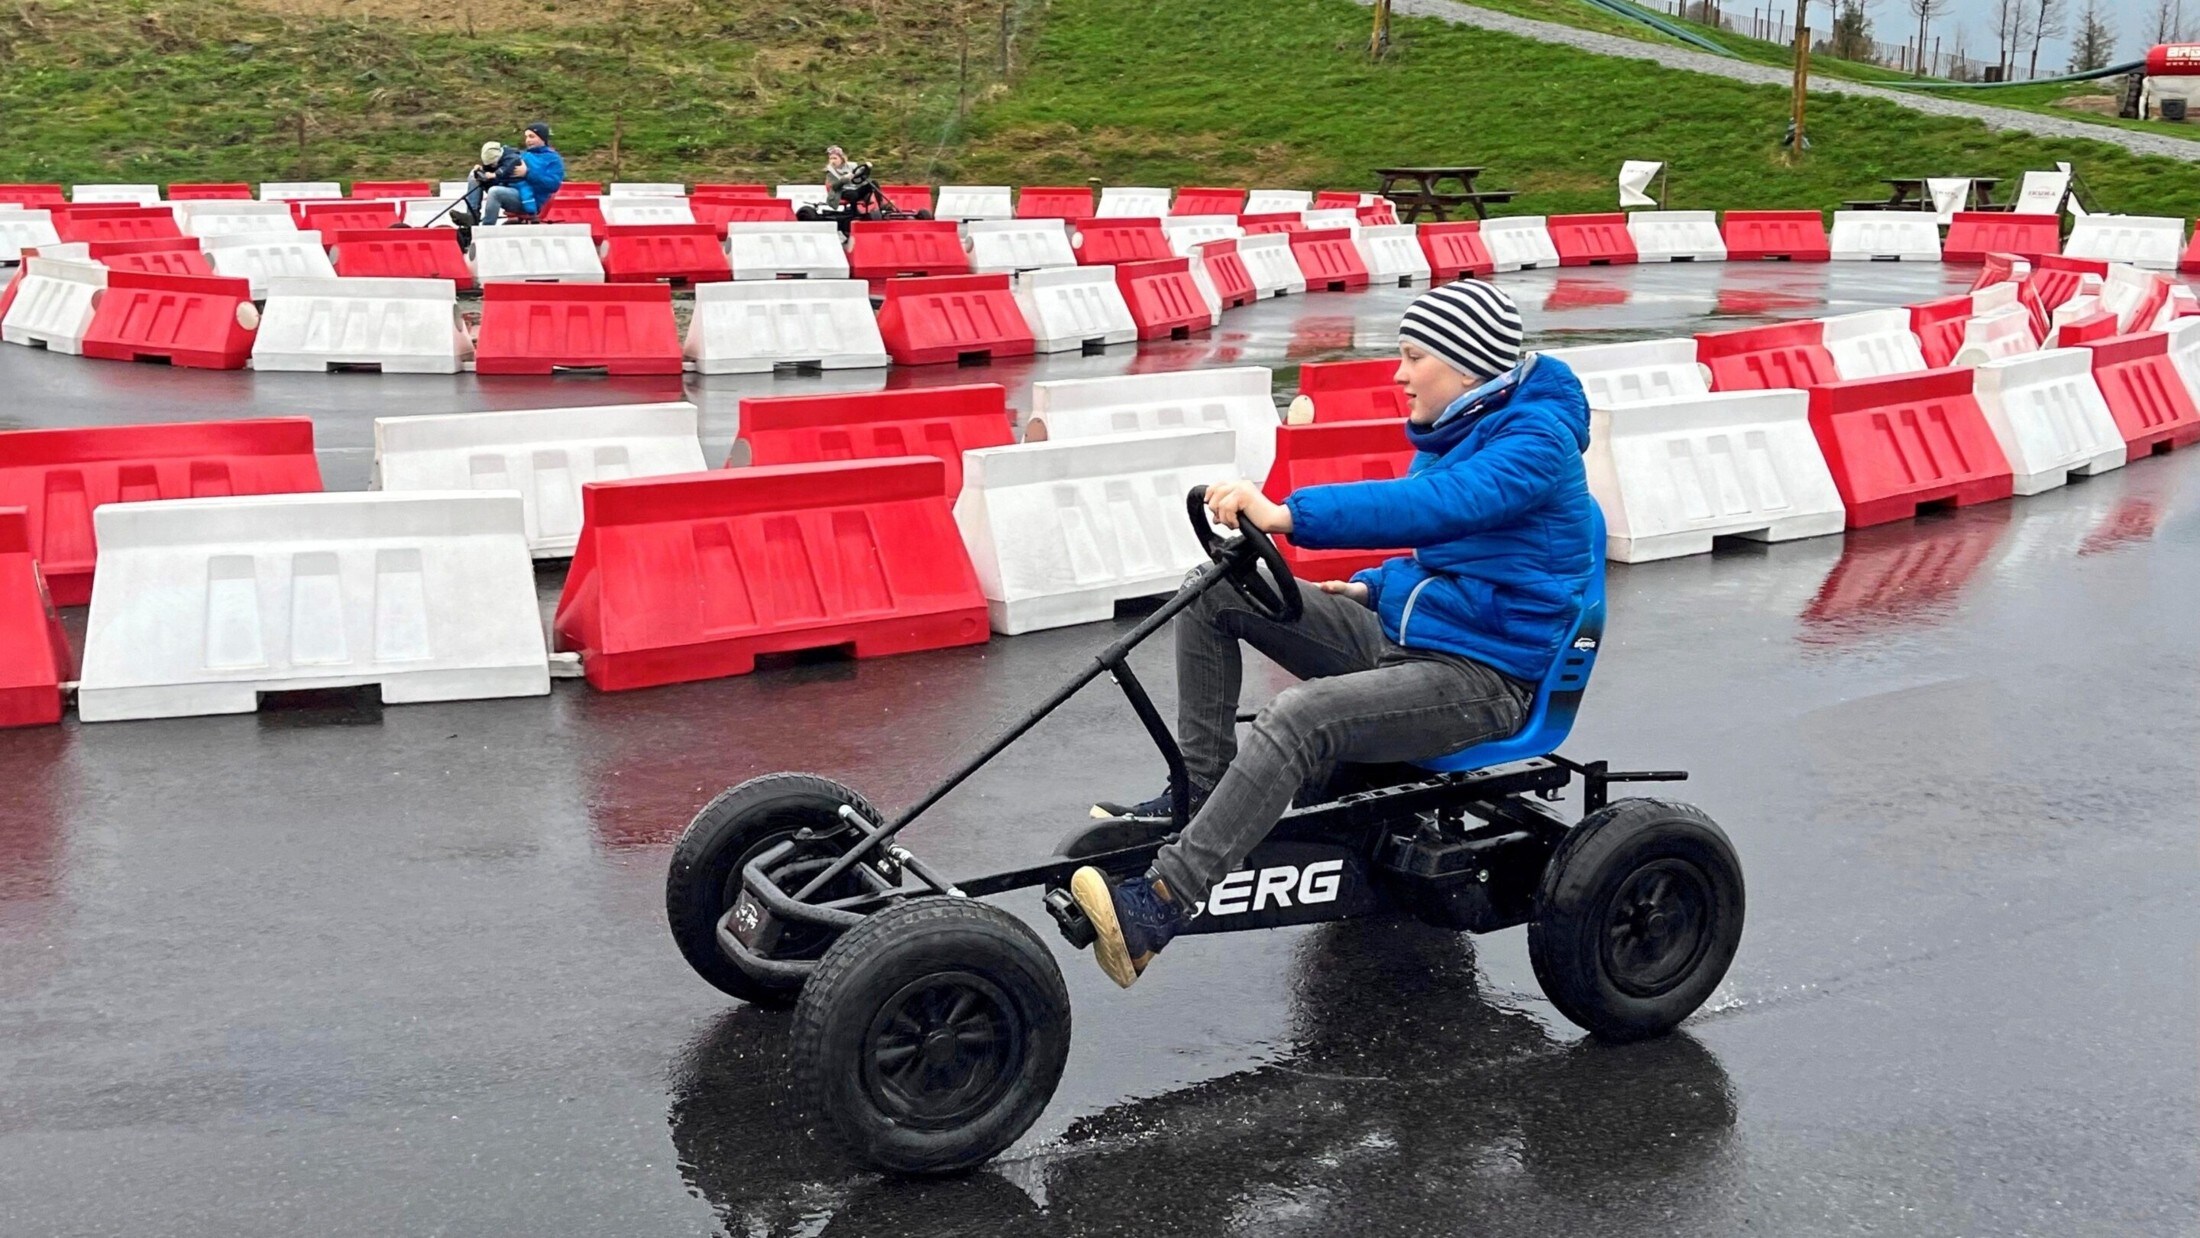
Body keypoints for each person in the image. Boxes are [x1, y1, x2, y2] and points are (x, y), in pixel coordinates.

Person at [1069, 279, 1596, 989]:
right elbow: (1449, 550)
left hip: (1489, 678)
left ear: (1468, 366)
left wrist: (1288, 515)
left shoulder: (1535, 443)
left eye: (1414, 357)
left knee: (1298, 718)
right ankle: (1200, 792)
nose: (1399, 373)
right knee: (1218, 588)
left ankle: (1157, 909)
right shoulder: (1472, 423)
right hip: (1416, 638)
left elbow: (1439, 506)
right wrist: (1374, 587)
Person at [475, 122, 566, 225]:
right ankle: (473, 216)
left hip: (530, 200)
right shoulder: (523, 154)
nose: (528, 140)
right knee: (475, 175)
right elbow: (505, 172)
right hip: (511, 188)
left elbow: (553, 185)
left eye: (532, 137)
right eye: (526, 137)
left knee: (495, 192)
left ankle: (487, 228)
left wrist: (527, 173)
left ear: (543, 138)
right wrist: (485, 170)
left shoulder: (553, 159)